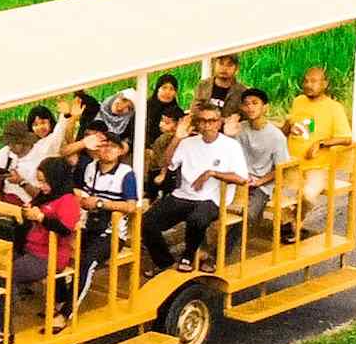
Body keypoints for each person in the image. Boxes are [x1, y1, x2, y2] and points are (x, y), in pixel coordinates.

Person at [142, 100, 246, 273]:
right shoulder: (188, 143)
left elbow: (241, 178)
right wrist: (177, 138)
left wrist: (212, 173)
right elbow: (167, 163)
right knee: (147, 222)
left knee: (196, 219)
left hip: (212, 199)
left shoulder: (230, 146)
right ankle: (165, 263)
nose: (207, 125)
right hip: (183, 195)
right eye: (203, 121)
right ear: (197, 123)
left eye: (212, 120)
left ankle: (188, 255)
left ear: (219, 123)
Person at [12, 155, 84, 328]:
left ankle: (2, 322)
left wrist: (41, 217)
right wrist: (28, 212)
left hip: (47, 256)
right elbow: (32, 209)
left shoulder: (67, 200)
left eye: (45, 182)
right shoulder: (45, 196)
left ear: (56, 178)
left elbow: (65, 228)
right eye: (39, 181)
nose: (41, 186)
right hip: (31, 249)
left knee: (7, 273)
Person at [284, 66, 355, 240]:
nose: (309, 85)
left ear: (325, 84)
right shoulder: (298, 101)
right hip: (291, 162)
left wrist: (321, 143)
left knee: (308, 195)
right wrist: (287, 127)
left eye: (314, 81)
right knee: (273, 195)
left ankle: (295, 221)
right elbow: (289, 124)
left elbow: (346, 138)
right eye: (306, 81)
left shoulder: (334, 108)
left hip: (317, 165)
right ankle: (287, 224)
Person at [75, 126, 139, 307]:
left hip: (111, 233)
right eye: (103, 146)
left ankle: (68, 311)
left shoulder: (126, 173)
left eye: (112, 146)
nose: (107, 150)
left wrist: (101, 204)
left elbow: (131, 206)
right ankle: (60, 298)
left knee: (87, 262)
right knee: (64, 254)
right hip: (87, 225)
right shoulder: (90, 167)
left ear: (120, 151)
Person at [232, 86, 291, 241]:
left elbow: (281, 168)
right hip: (240, 179)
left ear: (265, 107)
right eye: (246, 104)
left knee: (248, 215)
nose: (250, 107)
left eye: (254, 103)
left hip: (262, 184)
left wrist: (259, 182)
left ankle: (219, 254)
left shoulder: (276, 137)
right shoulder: (240, 129)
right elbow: (232, 156)